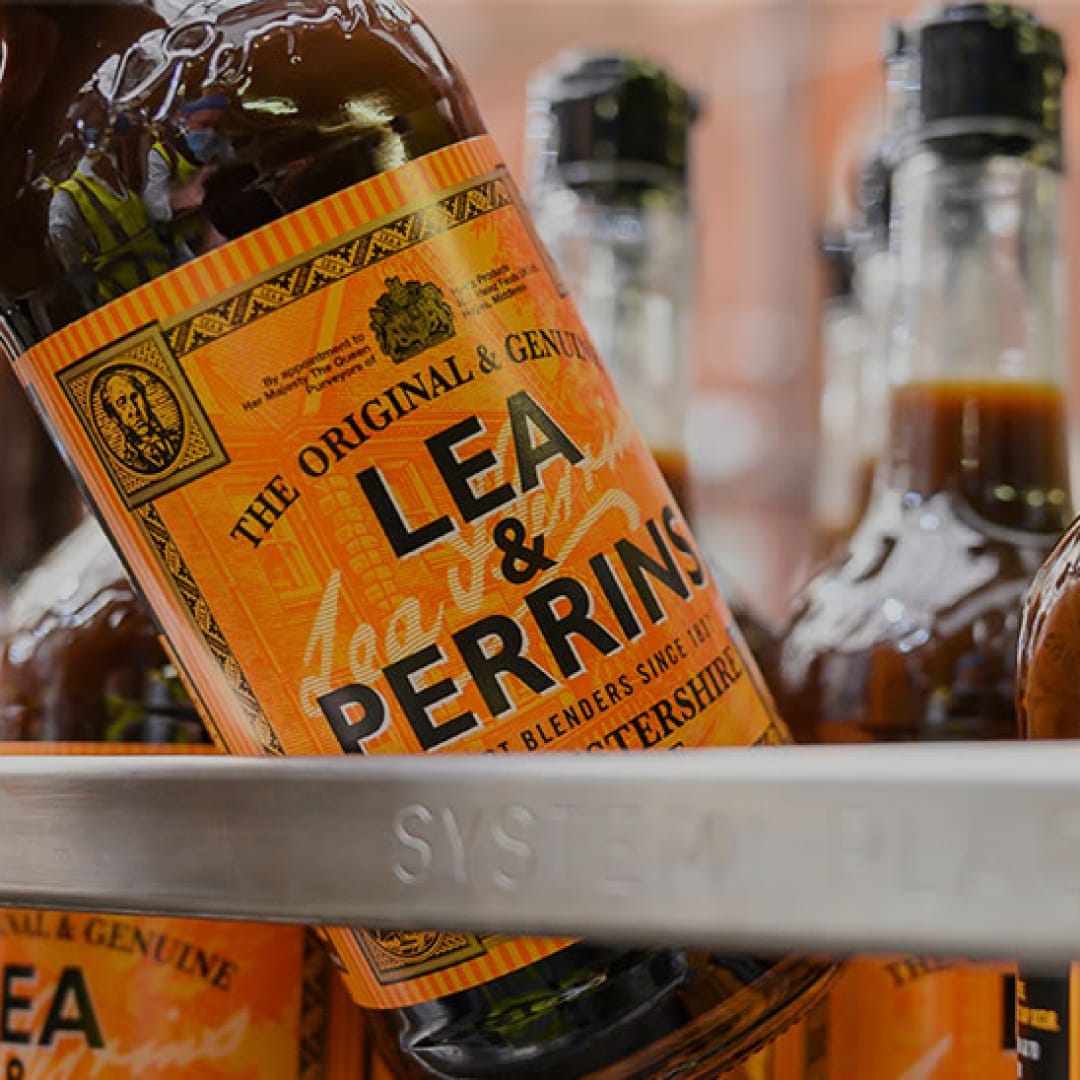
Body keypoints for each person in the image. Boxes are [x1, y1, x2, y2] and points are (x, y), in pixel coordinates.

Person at [47, 106, 171, 306]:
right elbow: (74, 266)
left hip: (168, 281)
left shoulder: (123, 169)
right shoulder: (66, 200)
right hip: (127, 301)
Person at [143, 93, 232, 257]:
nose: (211, 133)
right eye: (204, 124)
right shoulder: (161, 154)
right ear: (182, 120)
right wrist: (184, 197)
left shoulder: (221, 147)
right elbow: (153, 207)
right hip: (182, 247)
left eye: (217, 127)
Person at [99, 369, 181, 473]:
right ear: (114, 416)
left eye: (134, 397)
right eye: (122, 403)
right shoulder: (129, 461)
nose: (134, 410)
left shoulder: (175, 439)